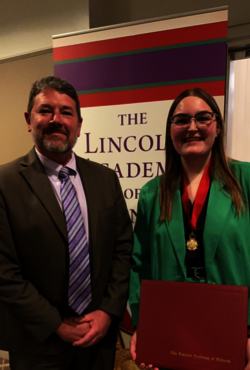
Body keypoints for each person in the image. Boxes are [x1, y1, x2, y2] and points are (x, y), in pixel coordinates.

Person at [0, 76, 133, 370]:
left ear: (79, 124)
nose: (56, 120)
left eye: (66, 112)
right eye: (45, 110)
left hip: (98, 338)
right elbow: (4, 271)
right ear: (29, 119)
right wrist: (56, 323)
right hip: (39, 343)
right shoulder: (4, 183)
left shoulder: (105, 179)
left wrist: (108, 312)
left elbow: (123, 250)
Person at [129, 87, 250, 370]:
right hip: (172, 332)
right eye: (181, 120)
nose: (192, 127)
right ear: (171, 130)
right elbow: (139, 264)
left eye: (203, 118)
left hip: (236, 333)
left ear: (217, 127)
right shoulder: (151, 193)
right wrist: (143, 325)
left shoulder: (245, 180)